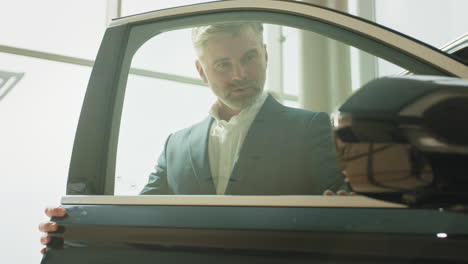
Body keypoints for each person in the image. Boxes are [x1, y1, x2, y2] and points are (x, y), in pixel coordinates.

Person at [39, 22, 348, 252]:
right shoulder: (175, 145)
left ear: (266, 55)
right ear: (202, 71)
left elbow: (347, 212)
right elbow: (134, 225)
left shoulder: (311, 127)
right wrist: (71, 232)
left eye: (250, 57)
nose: (239, 74)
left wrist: (347, 205)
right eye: (223, 64)